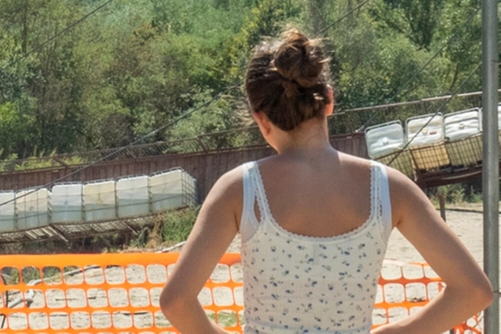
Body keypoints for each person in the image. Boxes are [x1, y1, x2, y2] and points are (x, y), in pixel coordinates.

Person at [159, 28, 492, 334]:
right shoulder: (390, 188)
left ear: (260, 119)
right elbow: (474, 291)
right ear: (329, 100)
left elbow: (176, 302)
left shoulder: (240, 189)